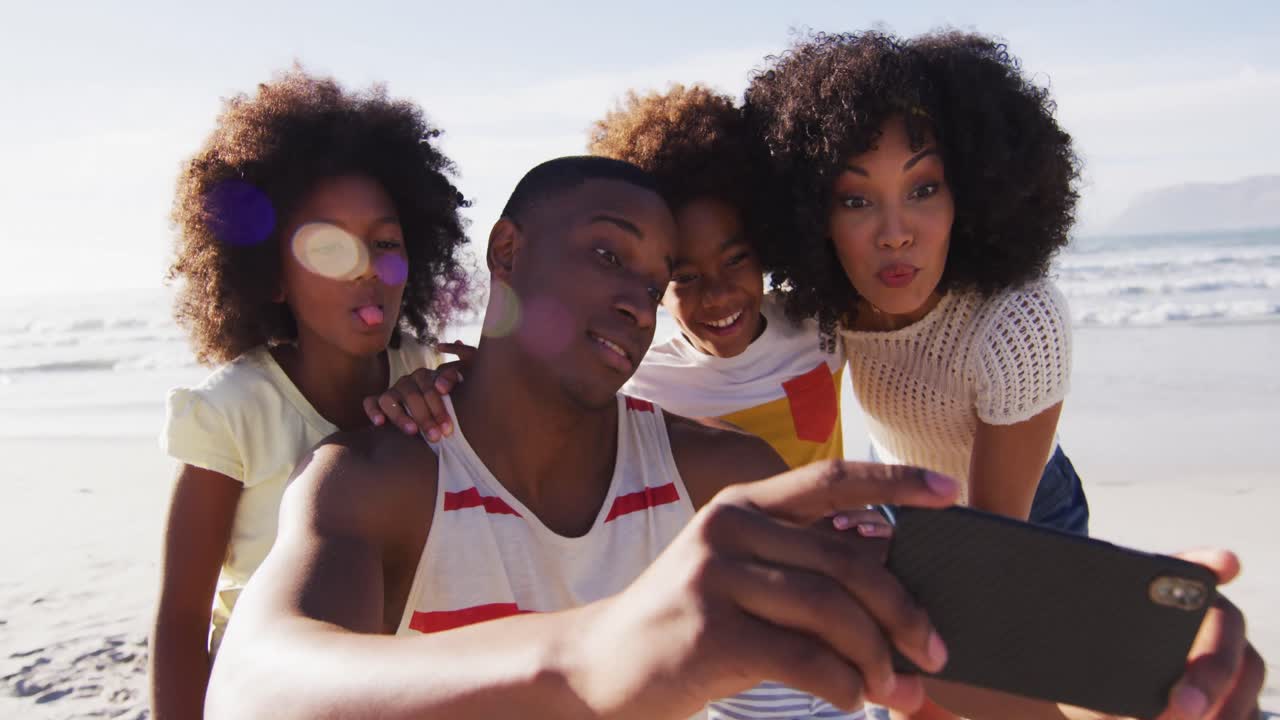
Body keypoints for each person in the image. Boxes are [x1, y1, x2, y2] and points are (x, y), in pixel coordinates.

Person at [205, 156, 1263, 720]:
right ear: (511, 249)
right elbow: (258, 686)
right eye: (609, 254)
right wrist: (601, 653)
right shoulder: (382, 475)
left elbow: (928, 627)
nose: (637, 299)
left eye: (651, 282)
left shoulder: (710, 477)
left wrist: (1133, 663)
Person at [150, 68, 471, 719]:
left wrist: (468, 382)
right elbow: (182, 622)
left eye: (385, 242)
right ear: (269, 275)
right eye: (328, 246)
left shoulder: (440, 379)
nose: (366, 268)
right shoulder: (230, 415)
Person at [744, 30, 1090, 535]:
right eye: (856, 200)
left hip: (1027, 514)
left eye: (923, 189)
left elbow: (995, 542)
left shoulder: (1020, 323)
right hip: (899, 488)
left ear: (970, 193)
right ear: (814, 213)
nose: (895, 235)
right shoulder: (824, 305)